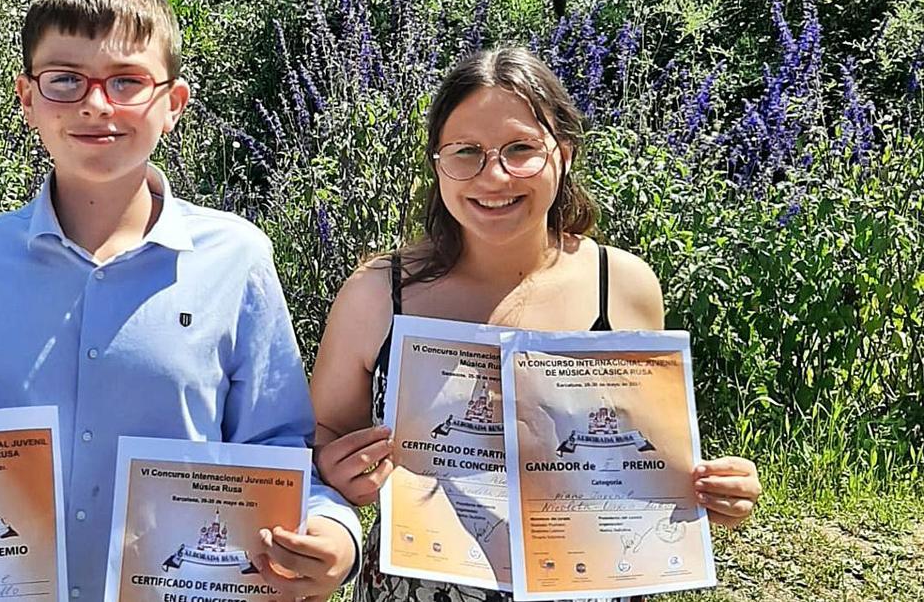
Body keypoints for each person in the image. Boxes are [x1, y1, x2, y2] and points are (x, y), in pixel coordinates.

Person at [0, 0, 358, 602]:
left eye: (127, 81)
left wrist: (335, 533)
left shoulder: (236, 258)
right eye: (65, 80)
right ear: (27, 98)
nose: (97, 103)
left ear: (172, 104)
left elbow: (280, 453)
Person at [310, 46, 762, 601]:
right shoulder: (378, 294)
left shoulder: (621, 286)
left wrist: (713, 488)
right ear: (437, 165)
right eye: (466, 152)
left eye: (521, 148)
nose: (493, 175)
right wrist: (336, 472)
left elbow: (641, 450)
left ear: (564, 154)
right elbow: (322, 435)